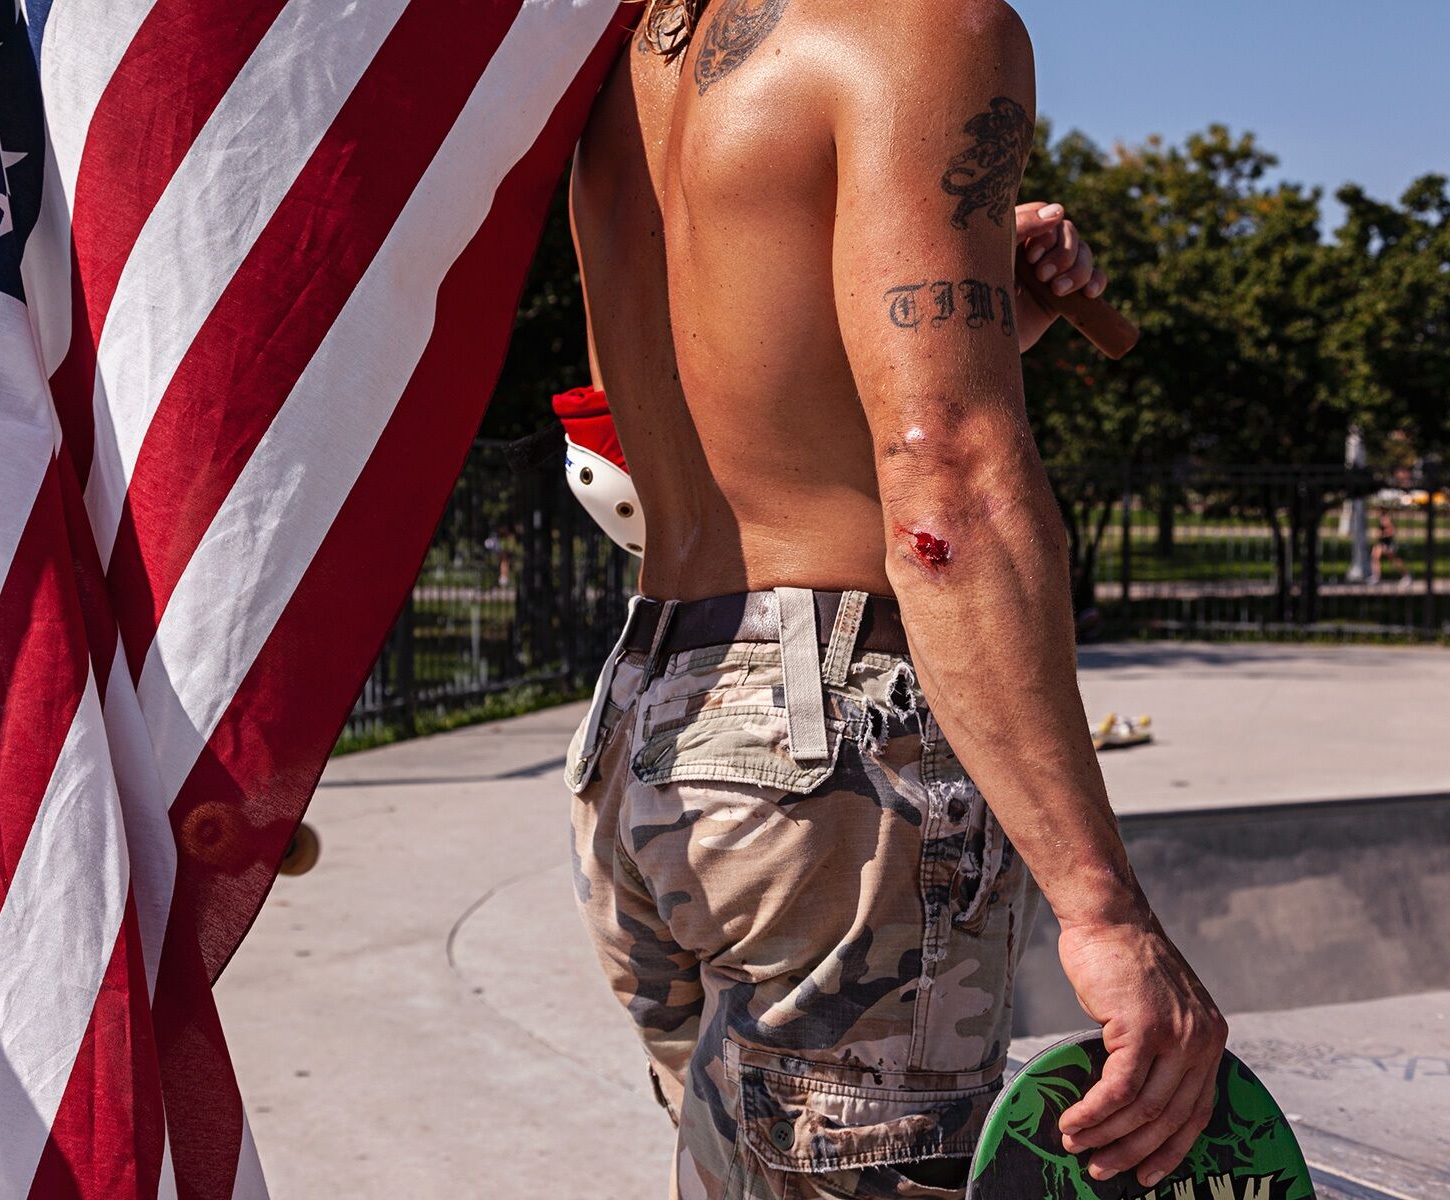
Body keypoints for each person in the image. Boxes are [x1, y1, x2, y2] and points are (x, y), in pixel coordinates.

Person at [561, 2, 1227, 1197]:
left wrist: (976, 305)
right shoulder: (920, 23)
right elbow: (950, 479)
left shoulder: (619, 76)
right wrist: (1105, 910)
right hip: (825, 754)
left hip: (650, 721)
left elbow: (667, 403)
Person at [1371, 507, 1411, 585]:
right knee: (1375, 557)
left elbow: (1392, 531)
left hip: (1388, 543)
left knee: (1393, 561)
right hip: (1381, 543)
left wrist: (1382, 534)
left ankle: (1406, 575)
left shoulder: (1386, 519)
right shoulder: (1381, 519)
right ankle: (1376, 577)